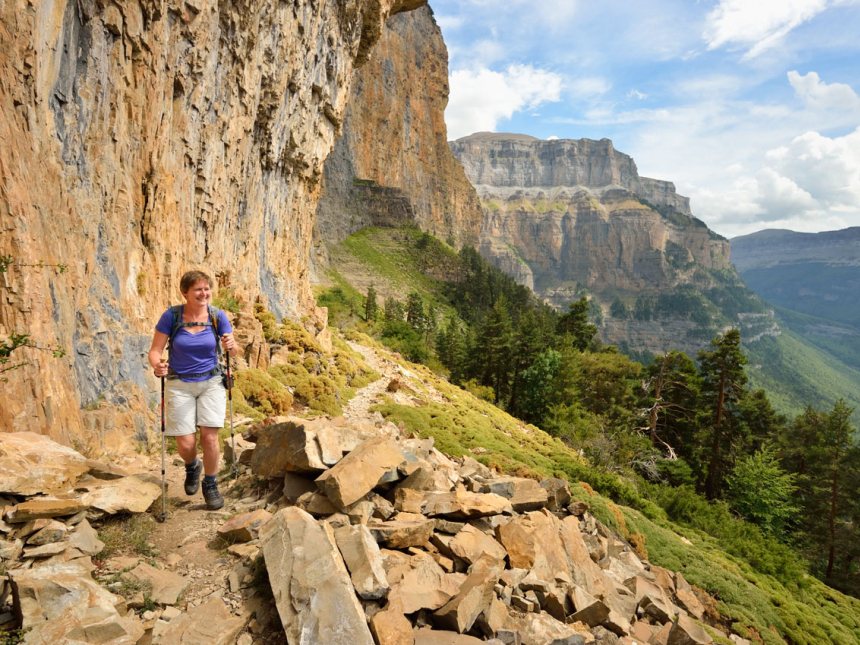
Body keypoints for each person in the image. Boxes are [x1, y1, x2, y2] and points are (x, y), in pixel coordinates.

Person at [148, 270, 237, 510]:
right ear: (185, 292)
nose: (204, 293)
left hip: (211, 383)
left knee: (209, 437)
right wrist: (158, 365)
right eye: (198, 289)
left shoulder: (218, 316)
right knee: (186, 444)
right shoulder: (172, 316)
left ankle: (210, 483)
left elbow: (233, 350)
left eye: (207, 288)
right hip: (179, 384)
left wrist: (232, 345)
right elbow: (155, 350)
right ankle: (192, 465)